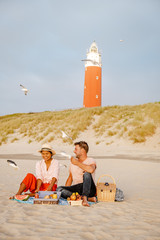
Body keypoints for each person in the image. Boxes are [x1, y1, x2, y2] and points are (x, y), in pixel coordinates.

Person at [57, 141, 97, 207]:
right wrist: (66, 189)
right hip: (77, 189)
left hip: (89, 188)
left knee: (87, 174)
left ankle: (85, 198)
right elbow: (70, 177)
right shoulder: (73, 162)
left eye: (76, 149)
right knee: (59, 189)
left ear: (82, 150)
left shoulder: (91, 160)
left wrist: (77, 163)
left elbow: (91, 169)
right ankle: (88, 199)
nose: (74, 151)